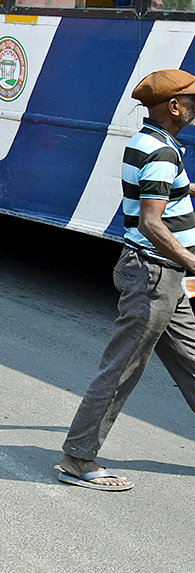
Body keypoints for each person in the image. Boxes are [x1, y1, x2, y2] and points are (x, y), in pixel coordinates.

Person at [59, 69, 195, 491]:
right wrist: (192, 261)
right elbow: (152, 223)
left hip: (161, 276)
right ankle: (78, 457)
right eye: (192, 100)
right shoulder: (162, 152)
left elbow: (157, 197)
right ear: (173, 106)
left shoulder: (151, 141)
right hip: (153, 275)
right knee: (121, 370)